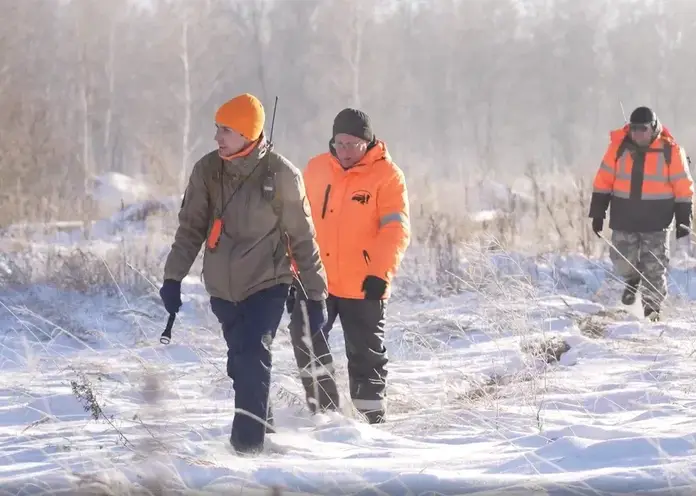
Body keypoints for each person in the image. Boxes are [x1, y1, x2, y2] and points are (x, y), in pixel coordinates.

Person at [158, 93, 328, 454]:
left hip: (268, 280)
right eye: (217, 128)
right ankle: (265, 430)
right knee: (240, 363)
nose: (218, 137)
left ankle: (246, 448)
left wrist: (316, 294)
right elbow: (190, 229)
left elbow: (302, 237)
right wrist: (173, 278)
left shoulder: (281, 173)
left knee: (252, 352)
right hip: (222, 286)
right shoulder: (206, 171)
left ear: (249, 133)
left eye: (227, 130)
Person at [286, 108, 410, 424]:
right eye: (339, 143)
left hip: (364, 283)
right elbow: (295, 223)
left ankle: (372, 422)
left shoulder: (388, 176)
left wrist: (379, 275)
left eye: (351, 144)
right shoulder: (315, 169)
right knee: (305, 338)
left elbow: (396, 230)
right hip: (317, 279)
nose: (343, 151)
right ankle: (325, 416)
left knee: (366, 355)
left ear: (367, 142)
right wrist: (291, 267)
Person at [589, 106, 694, 321]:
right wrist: (598, 213)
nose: (637, 133)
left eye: (643, 129)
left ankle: (652, 312)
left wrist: (684, 221)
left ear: (654, 128)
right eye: (634, 129)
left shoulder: (671, 151)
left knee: (654, 268)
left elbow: (683, 187)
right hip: (624, 218)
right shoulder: (618, 148)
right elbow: (603, 181)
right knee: (620, 259)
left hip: (657, 221)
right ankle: (632, 279)